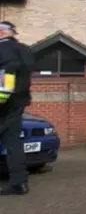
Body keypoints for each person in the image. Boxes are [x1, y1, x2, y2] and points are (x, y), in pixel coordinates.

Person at [0, 21, 34, 195]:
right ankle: (19, 183)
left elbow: (8, 71)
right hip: (19, 103)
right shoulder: (24, 50)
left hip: (4, 104)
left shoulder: (3, 49)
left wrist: (2, 97)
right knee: (13, 143)